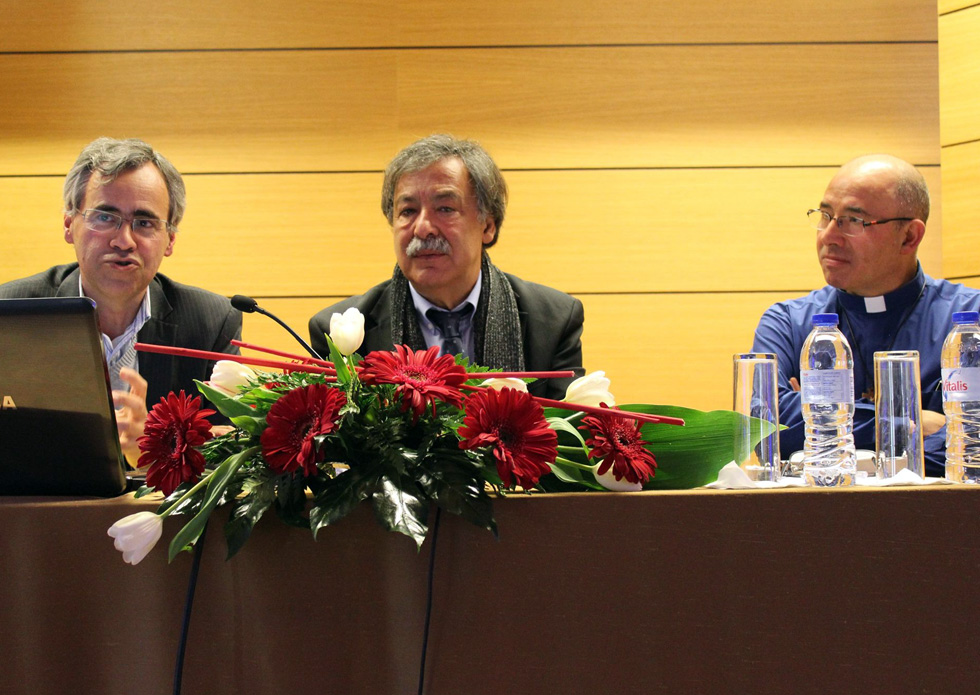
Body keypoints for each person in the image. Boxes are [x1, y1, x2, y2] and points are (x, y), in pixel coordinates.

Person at [0, 137, 242, 464]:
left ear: (169, 239)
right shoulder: (12, 313)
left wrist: (157, 448)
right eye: (104, 217)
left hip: (159, 511)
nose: (123, 240)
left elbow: (234, 453)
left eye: (144, 223)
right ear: (70, 225)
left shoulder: (211, 322)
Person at [751, 154, 980, 476]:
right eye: (825, 216)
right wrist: (913, 423)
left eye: (854, 221)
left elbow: (973, 449)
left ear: (909, 237)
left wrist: (821, 419)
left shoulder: (971, 320)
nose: (828, 236)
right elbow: (766, 431)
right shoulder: (788, 322)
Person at [309, 134, 584, 399]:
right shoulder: (339, 332)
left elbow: (569, 438)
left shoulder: (553, 320)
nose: (423, 228)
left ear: (487, 225)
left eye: (445, 208)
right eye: (408, 211)